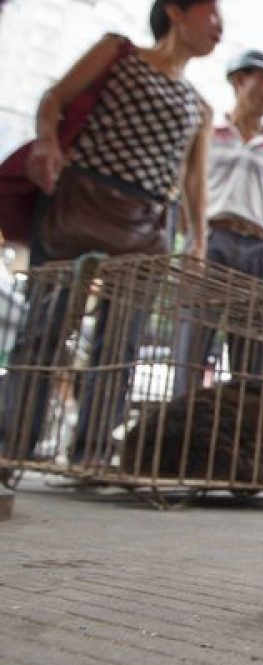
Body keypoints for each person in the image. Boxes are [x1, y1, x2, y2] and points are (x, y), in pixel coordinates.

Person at [0, 0, 220, 461]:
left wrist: (198, 241)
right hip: (81, 200)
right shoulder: (117, 52)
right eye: (211, 12)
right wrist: (46, 142)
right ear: (176, 12)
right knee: (46, 326)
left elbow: (195, 182)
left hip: (146, 225)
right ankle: (12, 443)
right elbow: (55, 98)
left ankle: (93, 452)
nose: (219, 27)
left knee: (120, 342)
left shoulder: (200, 106)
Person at [173, 47, 263, 393]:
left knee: (253, 352)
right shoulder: (207, 136)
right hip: (211, 239)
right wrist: (195, 240)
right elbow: (185, 189)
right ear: (240, 80)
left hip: (258, 248)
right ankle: (184, 427)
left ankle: (240, 429)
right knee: (192, 343)